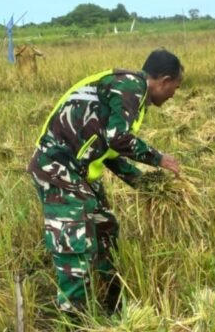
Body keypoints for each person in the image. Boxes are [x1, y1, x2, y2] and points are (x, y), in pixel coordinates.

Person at [27, 49, 183, 317]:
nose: (173, 96)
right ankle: (73, 318)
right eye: (175, 88)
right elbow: (117, 138)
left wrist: (146, 184)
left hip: (80, 170)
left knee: (105, 228)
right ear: (164, 80)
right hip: (57, 168)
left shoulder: (131, 92)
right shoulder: (131, 87)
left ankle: (110, 301)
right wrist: (159, 159)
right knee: (74, 244)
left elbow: (107, 150)